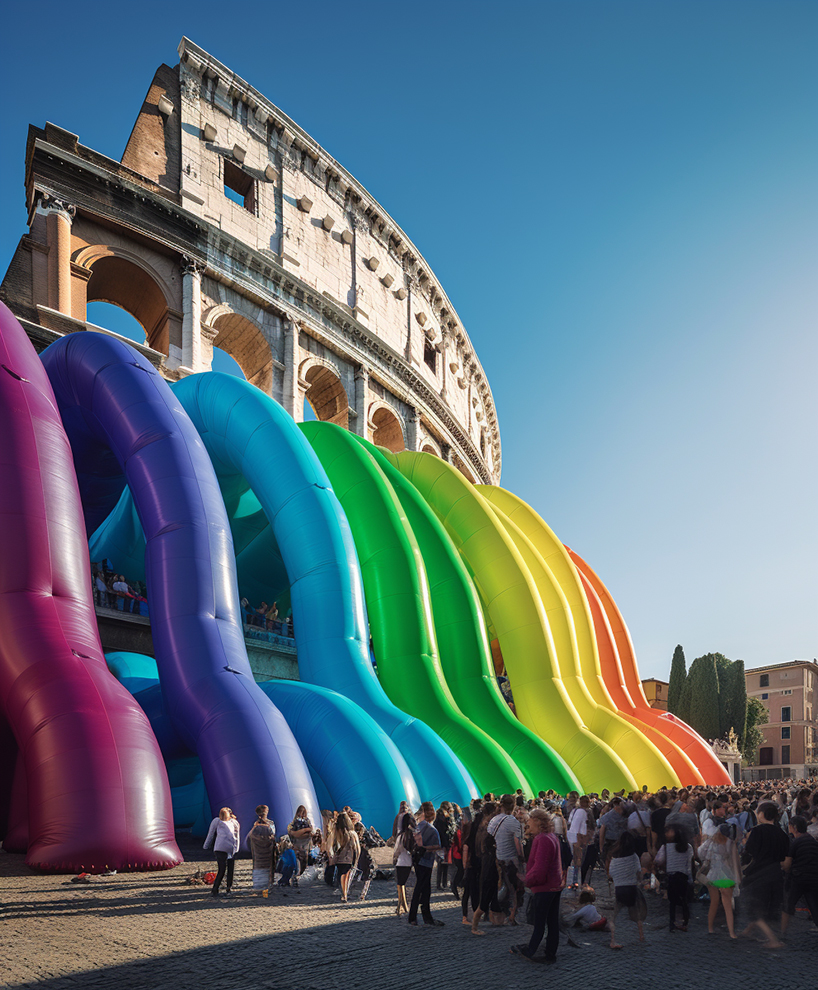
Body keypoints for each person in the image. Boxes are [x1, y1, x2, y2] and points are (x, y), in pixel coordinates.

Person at [510, 807, 563, 964]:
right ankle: (549, 953)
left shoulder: (542, 839)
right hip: (554, 885)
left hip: (545, 887)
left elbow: (540, 868)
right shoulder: (551, 837)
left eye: (530, 821)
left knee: (540, 922)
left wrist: (527, 880)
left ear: (538, 822)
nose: (528, 824)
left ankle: (532, 951)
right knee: (552, 922)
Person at [741, 800, 790, 948]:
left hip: (759, 873)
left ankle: (773, 940)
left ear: (761, 814)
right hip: (776, 874)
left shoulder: (757, 831)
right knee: (765, 907)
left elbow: (749, 852)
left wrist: (744, 842)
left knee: (754, 908)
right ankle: (748, 931)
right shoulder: (782, 834)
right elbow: (783, 857)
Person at [488, 794, 526, 926]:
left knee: (501, 885)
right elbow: (518, 842)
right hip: (511, 859)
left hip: (498, 857)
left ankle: (495, 912)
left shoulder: (493, 820)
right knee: (514, 889)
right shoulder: (513, 821)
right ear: (513, 806)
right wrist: (522, 857)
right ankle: (512, 915)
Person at [698, 823, 741, 938]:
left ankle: (710, 928)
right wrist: (738, 878)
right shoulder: (729, 843)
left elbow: (700, 853)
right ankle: (731, 932)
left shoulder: (710, 842)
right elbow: (734, 862)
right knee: (727, 905)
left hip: (712, 875)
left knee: (714, 903)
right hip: (725, 875)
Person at [408, 801, 445, 927]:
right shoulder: (432, 829)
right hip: (426, 861)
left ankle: (422, 916)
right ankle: (419, 916)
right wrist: (427, 848)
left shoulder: (418, 826)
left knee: (422, 889)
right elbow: (438, 846)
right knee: (422, 889)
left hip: (417, 861)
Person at [780, 815, 818, 935]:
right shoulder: (812, 840)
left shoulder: (796, 842)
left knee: (788, 904)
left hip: (799, 877)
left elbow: (787, 865)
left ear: (794, 828)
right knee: (813, 903)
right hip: (814, 877)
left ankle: (782, 932)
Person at [607, 831, 646, 949]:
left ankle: (613, 940)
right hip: (631, 889)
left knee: (613, 916)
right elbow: (638, 873)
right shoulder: (634, 857)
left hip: (619, 889)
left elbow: (611, 874)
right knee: (637, 914)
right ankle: (641, 936)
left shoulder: (614, 858)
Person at [655, 825, 694, 932]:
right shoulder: (688, 847)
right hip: (683, 877)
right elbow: (689, 865)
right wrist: (690, 879)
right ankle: (685, 923)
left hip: (672, 877)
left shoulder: (666, 847)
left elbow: (658, 860)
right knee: (684, 901)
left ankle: (672, 924)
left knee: (672, 903)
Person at [203, 807, 240, 898]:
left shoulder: (216, 821)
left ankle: (215, 889)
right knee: (230, 869)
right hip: (231, 848)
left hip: (219, 848)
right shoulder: (234, 822)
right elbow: (237, 836)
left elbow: (211, 834)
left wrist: (206, 846)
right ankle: (228, 888)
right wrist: (237, 849)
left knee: (221, 869)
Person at [330, 812, 360, 903]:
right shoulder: (353, 833)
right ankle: (345, 893)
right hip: (349, 858)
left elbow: (331, 846)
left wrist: (332, 857)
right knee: (346, 875)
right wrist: (356, 860)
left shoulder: (336, 833)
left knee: (341, 875)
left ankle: (344, 893)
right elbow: (357, 848)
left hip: (339, 858)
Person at [246, 804, 277, 891]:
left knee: (259, 869)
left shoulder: (255, 825)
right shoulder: (269, 824)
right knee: (268, 869)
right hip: (268, 850)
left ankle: (261, 890)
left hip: (258, 852)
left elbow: (251, 838)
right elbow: (273, 836)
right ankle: (266, 891)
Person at [392, 811, 415, 916]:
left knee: (400, 884)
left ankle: (402, 906)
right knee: (403, 883)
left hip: (401, 861)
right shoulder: (413, 833)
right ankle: (402, 906)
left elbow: (397, 850)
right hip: (410, 861)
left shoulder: (401, 835)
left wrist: (394, 859)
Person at [567, 795, 590, 889]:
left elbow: (570, 823)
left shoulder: (574, 811)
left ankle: (574, 881)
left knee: (576, 861)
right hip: (579, 839)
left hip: (572, 838)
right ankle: (578, 881)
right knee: (579, 861)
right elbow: (581, 828)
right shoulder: (583, 812)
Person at [598, 797, 627, 868]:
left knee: (609, 860)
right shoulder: (626, 815)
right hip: (619, 842)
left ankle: (609, 874)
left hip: (612, 842)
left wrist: (601, 847)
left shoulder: (607, 816)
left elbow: (602, 832)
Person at [288, 805, 314, 878]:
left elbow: (310, 832)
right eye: (300, 812)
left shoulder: (307, 821)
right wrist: (304, 831)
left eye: (303, 812)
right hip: (297, 844)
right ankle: (296, 875)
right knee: (297, 860)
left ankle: (301, 875)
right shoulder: (295, 822)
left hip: (304, 844)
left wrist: (301, 833)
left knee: (304, 860)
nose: (302, 814)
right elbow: (294, 834)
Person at [434, 802, 456, 890]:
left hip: (440, 843)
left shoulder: (438, 817)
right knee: (444, 864)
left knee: (441, 864)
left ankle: (440, 883)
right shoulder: (446, 817)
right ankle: (443, 883)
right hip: (445, 843)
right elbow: (447, 831)